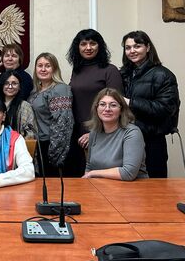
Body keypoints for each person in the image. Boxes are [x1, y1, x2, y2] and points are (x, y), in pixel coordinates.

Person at [120, 31, 180, 178]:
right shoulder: (123, 74)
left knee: (154, 187)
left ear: (147, 47)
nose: (132, 51)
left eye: (137, 46)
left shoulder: (163, 75)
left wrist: (130, 102)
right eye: (128, 48)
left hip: (152, 141)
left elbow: (166, 109)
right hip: (126, 138)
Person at [66, 29, 123, 176]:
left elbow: (116, 107)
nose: (88, 47)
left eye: (92, 43)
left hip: (102, 134)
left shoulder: (110, 70)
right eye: (83, 44)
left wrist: (95, 133)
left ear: (100, 46)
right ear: (77, 47)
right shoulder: (77, 71)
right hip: (78, 134)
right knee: (80, 181)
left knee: (100, 180)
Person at [82, 88, 148, 181]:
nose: (107, 109)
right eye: (102, 104)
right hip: (100, 186)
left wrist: (93, 173)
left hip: (132, 188)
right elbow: (89, 166)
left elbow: (129, 173)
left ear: (121, 110)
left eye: (113, 105)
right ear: (96, 108)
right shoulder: (94, 132)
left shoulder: (132, 133)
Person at [28, 52, 74, 177]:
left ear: (54, 69)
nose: (43, 69)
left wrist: (55, 151)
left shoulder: (59, 89)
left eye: (47, 66)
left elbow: (62, 122)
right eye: (40, 66)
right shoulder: (35, 91)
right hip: (39, 144)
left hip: (52, 145)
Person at [0, 70, 37, 139]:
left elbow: (31, 133)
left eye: (14, 83)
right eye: (6, 83)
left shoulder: (25, 106)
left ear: (19, 86)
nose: (10, 86)